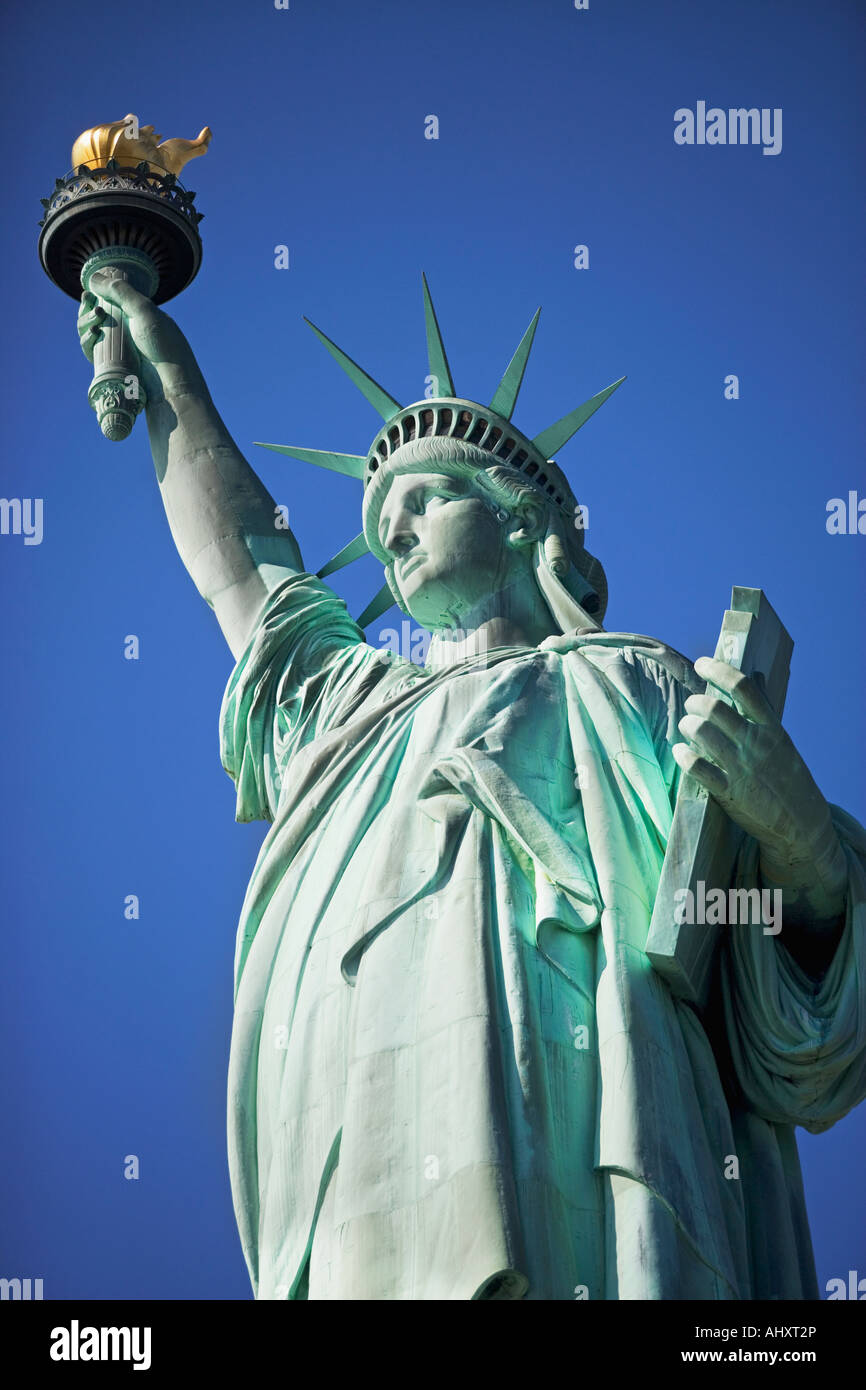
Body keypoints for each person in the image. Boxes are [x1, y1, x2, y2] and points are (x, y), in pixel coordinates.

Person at [78, 273, 866, 1300]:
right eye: (382, 515)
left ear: (524, 520)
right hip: (367, 1136)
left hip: (606, 1105)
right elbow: (246, 575)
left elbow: (805, 1018)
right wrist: (164, 361)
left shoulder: (635, 682)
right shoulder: (354, 712)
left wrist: (796, 832)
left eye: (423, 496)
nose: (392, 531)